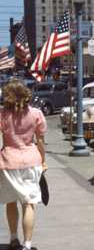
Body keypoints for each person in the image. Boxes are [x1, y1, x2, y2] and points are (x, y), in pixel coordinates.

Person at [0, 79, 47, 250]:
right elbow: (40, 141)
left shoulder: (2, 114)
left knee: (10, 202)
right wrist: (43, 160)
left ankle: (13, 239)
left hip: (8, 162)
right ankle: (27, 245)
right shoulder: (36, 114)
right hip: (31, 160)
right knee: (29, 204)